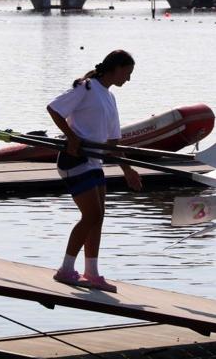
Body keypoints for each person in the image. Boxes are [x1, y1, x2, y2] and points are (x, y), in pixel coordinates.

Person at [47, 49, 143, 293]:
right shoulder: (86, 88)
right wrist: (71, 138)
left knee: (98, 218)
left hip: (95, 162)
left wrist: (127, 169)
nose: (128, 79)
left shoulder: (109, 98)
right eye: (128, 73)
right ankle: (66, 270)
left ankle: (92, 272)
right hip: (75, 160)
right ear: (117, 68)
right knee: (91, 215)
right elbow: (54, 109)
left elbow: (112, 143)